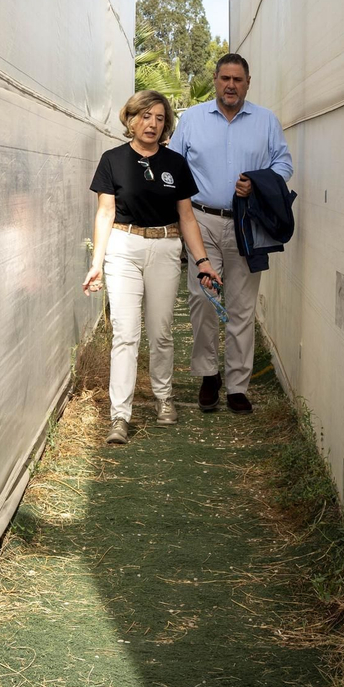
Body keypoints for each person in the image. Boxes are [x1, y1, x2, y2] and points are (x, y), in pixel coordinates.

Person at [83, 90, 222, 445]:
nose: (152, 124)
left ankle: (164, 399)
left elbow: (187, 217)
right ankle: (120, 415)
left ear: (166, 126)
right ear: (131, 118)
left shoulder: (175, 164)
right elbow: (105, 212)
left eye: (160, 119)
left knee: (160, 332)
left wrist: (203, 261)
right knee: (126, 334)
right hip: (124, 248)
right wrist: (96, 263)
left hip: (164, 248)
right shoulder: (112, 160)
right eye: (146, 116)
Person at [166, 54, 292, 414]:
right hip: (200, 220)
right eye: (225, 78)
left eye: (238, 79)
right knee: (203, 300)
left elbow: (284, 163)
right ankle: (209, 375)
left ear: (248, 82)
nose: (231, 86)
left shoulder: (266, 121)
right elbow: (174, 167)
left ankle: (237, 385)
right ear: (216, 79)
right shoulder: (192, 120)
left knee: (241, 305)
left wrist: (258, 183)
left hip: (247, 223)